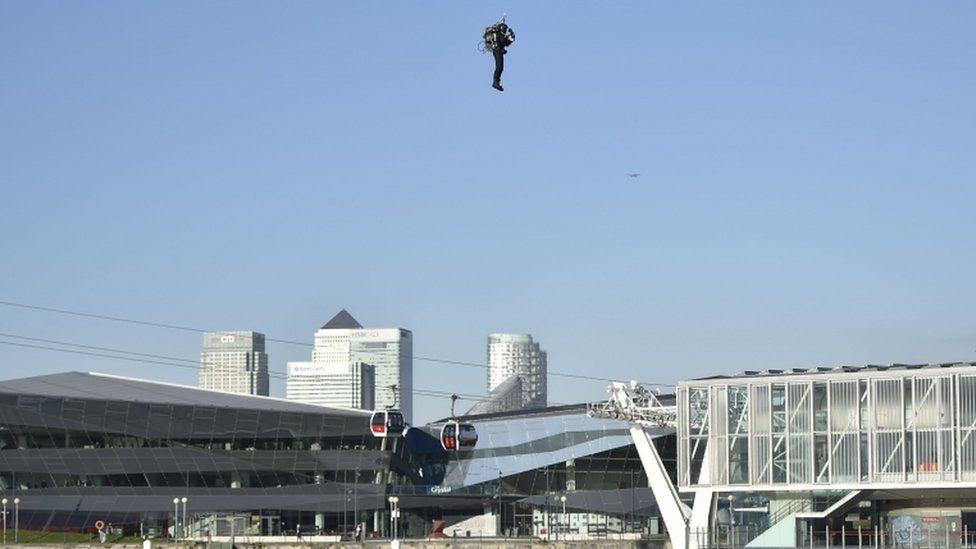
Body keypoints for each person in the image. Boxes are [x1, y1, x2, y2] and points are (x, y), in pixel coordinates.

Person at [484, 20, 515, 91]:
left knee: (500, 67)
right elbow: (503, 41)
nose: (505, 31)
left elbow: (505, 43)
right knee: (499, 67)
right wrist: (510, 37)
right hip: (497, 51)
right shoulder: (497, 34)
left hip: (499, 51)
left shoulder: (499, 35)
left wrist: (511, 39)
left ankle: (496, 82)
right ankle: (495, 82)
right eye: (505, 29)